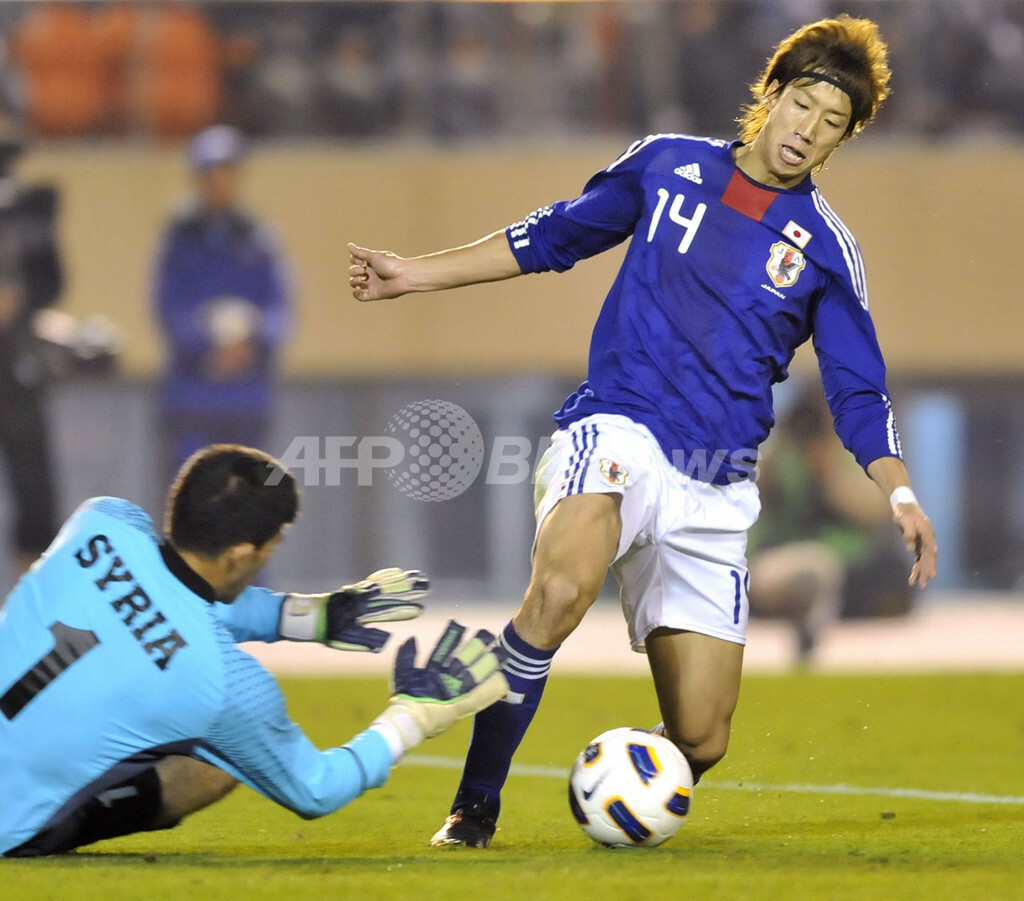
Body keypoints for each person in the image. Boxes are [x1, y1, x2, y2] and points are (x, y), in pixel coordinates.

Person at [350, 15, 938, 848]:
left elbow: (857, 388)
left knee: (702, 737)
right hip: (619, 428)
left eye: (832, 122)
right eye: (803, 104)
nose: (809, 129)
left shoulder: (828, 252)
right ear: (770, 96)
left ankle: (626, 783)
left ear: (843, 139)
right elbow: (550, 236)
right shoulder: (669, 164)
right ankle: (474, 809)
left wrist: (901, 491)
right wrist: (415, 273)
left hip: (717, 482)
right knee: (556, 596)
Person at [0, 444, 507, 857]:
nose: (268, 555)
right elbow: (316, 788)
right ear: (243, 554)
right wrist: (415, 715)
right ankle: (49, 820)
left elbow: (163, 596)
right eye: (273, 544)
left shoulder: (103, 520)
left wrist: (306, 617)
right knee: (219, 762)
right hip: (10, 825)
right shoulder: (222, 684)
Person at [152, 124, 292, 488]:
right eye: (211, 174)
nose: (220, 182)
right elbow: (168, 307)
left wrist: (251, 344)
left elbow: (279, 307)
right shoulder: (179, 240)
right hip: (192, 395)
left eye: (228, 172)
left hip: (246, 399)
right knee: (192, 499)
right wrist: (204, 345)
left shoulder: (259, 240)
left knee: (246, 502)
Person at [747, 383, 913, 663]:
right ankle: (804, 611)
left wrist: (829, 471)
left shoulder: (852, 455)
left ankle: (815, 610)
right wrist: (772, 462)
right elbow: (754, 504)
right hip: (787, 556)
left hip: (848, 565)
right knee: (801, 571)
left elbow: (873, 511)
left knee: (887, 575)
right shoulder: (779, 457)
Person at [0, 130, 63, 581]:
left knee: (35, 490)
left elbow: (53, 280)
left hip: (16, 363)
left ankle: (28, 599)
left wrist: (20, 298)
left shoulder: (30, 213)